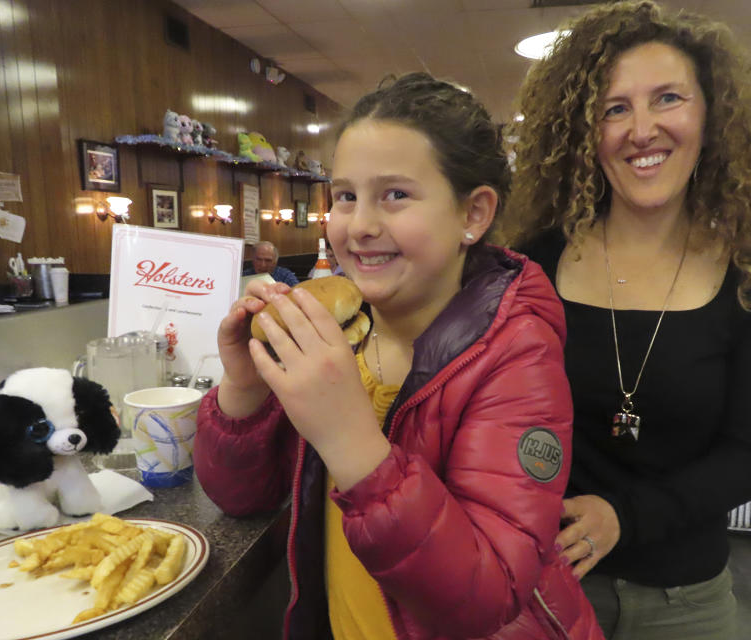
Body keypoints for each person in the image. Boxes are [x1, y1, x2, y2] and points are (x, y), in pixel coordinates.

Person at [194, 73, 602, 640]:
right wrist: (243, 392)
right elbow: (240, 498)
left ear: (473, 215)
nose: (360, 226)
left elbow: (488, 598)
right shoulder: (334, 329)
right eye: (345, 196)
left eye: (396, 195)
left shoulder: (517, 354)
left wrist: (349, 440)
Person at [500, 2, 751, 638]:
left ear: (710, 115)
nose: (641, 129)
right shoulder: (534, 263)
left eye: (667, 99)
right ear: (586, 131)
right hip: (540, 588)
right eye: (614, 108)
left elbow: (748, 455)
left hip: (685, 603)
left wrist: (621, 516)